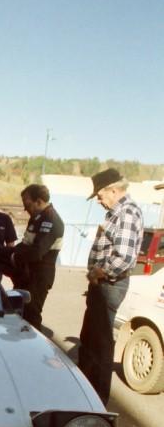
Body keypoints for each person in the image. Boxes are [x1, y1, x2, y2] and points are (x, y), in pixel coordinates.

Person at [78, 169, 143, 405]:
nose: (98, 199)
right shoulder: (115, 213)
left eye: (100, 194)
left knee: (100, 345)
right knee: (90, 340)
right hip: (101, 284)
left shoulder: (127, 212)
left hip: (109, 284)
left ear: (113, 190)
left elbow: (123, 257)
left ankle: (95, 401)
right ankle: (84, 393)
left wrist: (99, 272)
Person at [0, 184, 64, 329]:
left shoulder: (51, 220)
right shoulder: (36, 218)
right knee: (18, 311)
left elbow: (36, 251)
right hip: (27, 272)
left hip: (39, 275)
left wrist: (14, 257)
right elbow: (25, 244)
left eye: (27, 204)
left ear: (38, 201)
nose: (25, 209)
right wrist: (5, 253)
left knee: (31, 315)